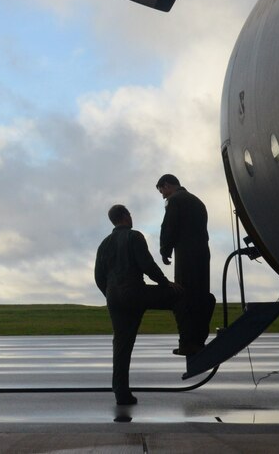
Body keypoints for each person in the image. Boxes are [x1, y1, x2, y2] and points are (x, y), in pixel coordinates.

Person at [95, 204, 182, 406]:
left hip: (113, 298)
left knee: (121, 345)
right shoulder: (134, 236)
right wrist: (165, 283)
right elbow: (147, 265)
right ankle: (187, 339)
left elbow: (99, 276)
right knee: (180, 297)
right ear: (126, 216)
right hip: (135, 293)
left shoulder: (104, 243)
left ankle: (121, 393)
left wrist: (110, 294)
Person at [156, 173, 214, 356]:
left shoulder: (175, 200)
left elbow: (168, 227)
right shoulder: (197, 201)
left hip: (186, 256)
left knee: (184, 297)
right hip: (202, 255)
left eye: (162, 191)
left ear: (167, 185)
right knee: (201, 295)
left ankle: (187, 343)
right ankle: (198, 341)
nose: (163, 196)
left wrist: (165, 250)